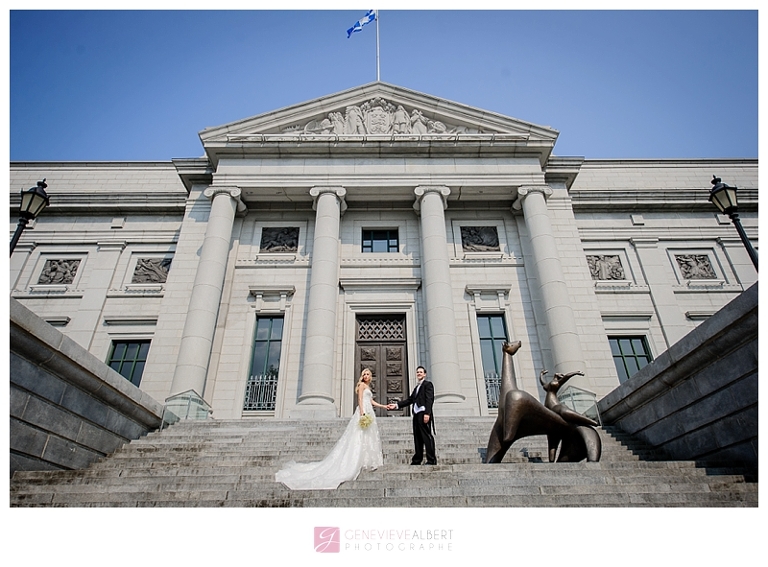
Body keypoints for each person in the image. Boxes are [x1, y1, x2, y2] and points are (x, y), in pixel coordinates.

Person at [275, 368, 385, 489]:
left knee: (367, 435)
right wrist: (363, 413)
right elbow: (360, 400)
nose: (365, 375)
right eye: (364, 374)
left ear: (371, 376)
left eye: (368, 374)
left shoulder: (368, 388)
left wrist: (384, 406)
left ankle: (366, 460)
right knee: (358, 436)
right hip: (364, 412)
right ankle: (355, 461)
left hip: (369, 412)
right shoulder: (362, 386)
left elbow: (371, 401)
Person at [387, 365, 436, 465]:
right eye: (417, 372)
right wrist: (396, 405)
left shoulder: (428, 384)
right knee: (417, 437)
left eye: (421, 372)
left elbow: (429, 400)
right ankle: (417, 459)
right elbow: (410, 400)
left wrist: (427, 413)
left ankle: (431, 460)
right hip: (416, 414)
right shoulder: (417, 388)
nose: (419, 373)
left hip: (423, 413)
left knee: (426, 436)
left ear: (425, 374)